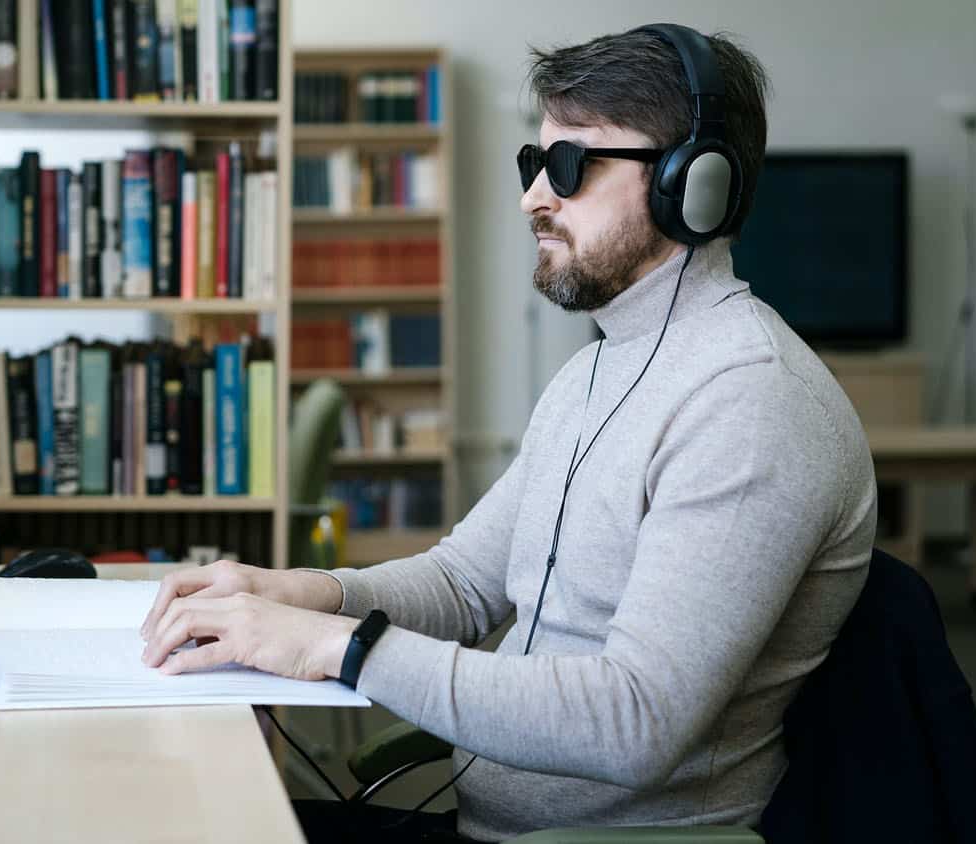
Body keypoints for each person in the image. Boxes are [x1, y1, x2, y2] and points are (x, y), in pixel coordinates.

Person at [139, 24, 876, 843]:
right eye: (535, 163)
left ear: (690, 185)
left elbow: (636, 720)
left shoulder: (750, 404)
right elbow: (464, 584)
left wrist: (337, 647)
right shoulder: (596, 371)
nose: (533, 197)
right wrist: (307, 594)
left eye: (570, 167)